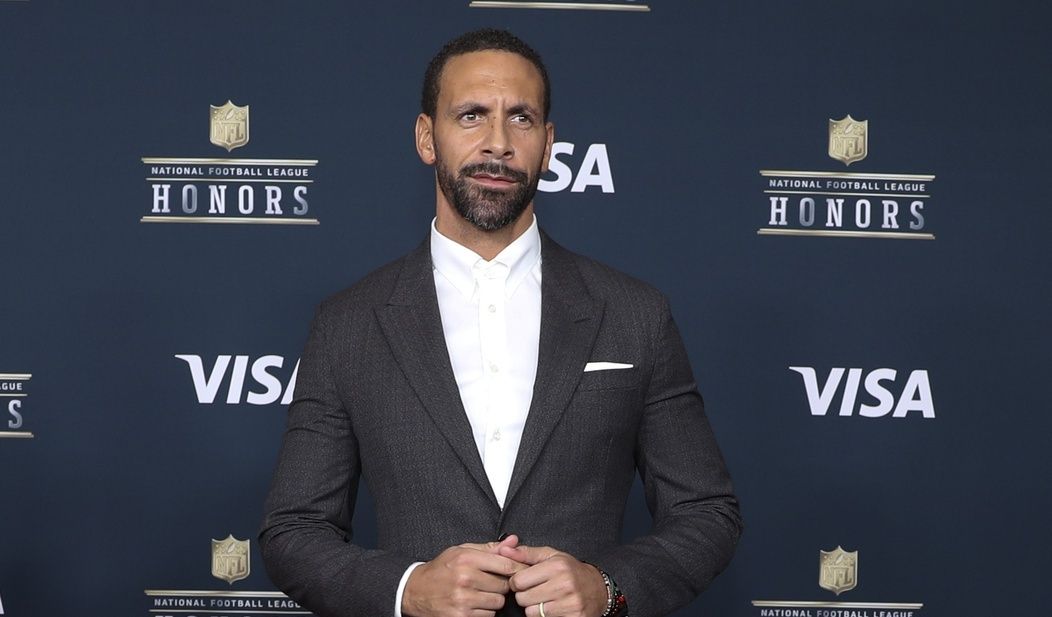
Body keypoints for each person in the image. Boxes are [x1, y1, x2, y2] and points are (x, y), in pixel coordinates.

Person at [259, 28, 742, 617]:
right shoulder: (349, 324)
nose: (497, 143)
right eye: (470, 115)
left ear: (548, 143)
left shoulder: (633, 312)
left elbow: (707, 513)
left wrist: (608, 587)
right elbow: (293, 531)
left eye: (521, 118)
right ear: (425, 137)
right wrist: (407, 589)